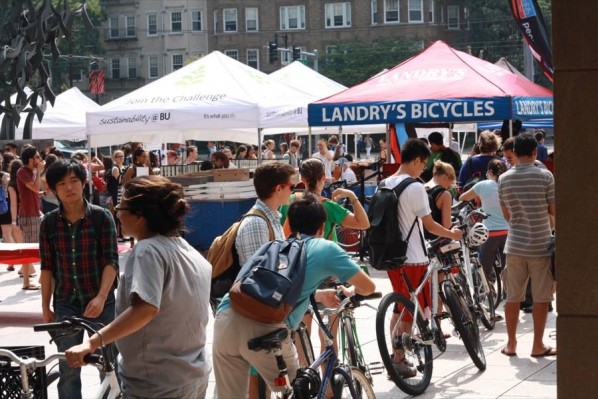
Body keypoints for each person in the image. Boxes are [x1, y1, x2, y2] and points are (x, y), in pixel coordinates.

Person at [213, 194, 376, 398]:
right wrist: (351, 292)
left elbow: (270, 286)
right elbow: (368, 286)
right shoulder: (325, 247)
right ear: (322, 227)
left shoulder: (274, 246)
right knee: (298, 390)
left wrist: (317, 295)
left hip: (227, 317)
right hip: (265, 330)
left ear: (290, 222)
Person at [64, 175, 210, 398]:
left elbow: (146, 308)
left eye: (121, 207)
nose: (117, 213)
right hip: (192, 375)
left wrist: (92, 342)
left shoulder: (148, 250)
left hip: (156, 383)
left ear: (139, 217)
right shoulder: (190, 252)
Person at [39, 159, 119, 399]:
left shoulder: (102, 217)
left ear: (84, 183)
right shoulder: (49, 223)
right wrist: (45, 305)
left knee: (108, 365)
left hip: (100, 302)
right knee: (68, 367)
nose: (69, 188)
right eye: (61, 184)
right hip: (66, 303)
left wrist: (101, 297)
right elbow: (47, 267)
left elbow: (111, 262)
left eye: (74, 181)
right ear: (53, 190)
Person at [385, 139, 463, 377]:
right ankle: (398, 360)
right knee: (408, 310)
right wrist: (452, 234)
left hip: (391, 256)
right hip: (413, 257)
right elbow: (429, 224)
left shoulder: (385, 183)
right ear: (417, 160)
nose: (424, 170)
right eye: (423, 165)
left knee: (399, 308)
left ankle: (395, 353)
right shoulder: (415, 187)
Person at [232, 161, 296, 398]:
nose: (294, 190)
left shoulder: (271, 219)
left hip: (266, 313)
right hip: (255, 316)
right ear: (278, 188)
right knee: (258, 379)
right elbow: (256, 282)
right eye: (292, 185)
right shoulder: (257, 223)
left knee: (272, 381)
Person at [498, 133, 556, 358]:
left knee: (513, 297)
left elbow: (506, 214)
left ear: (513, 152)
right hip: (541, 245)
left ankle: (511, 344)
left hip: (514, 245)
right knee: (541, 297)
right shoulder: (545, 176)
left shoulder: (504, 178)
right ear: (534, 152)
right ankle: (537, 345)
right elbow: (553, 210)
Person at [460, 159, 509, 296]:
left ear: (489, 172)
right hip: (508, 232)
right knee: (508, 267)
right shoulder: (507, 184)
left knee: (484, 266)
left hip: (490, 233)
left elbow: (463, 197)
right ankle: (508, 292)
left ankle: (484, 290)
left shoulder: (483, 184)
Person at [16, 147, 45, 290]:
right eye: (37, 157)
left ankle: (28, 279)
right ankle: (26, 281)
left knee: (34, 247)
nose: (40, 160)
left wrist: (43, 192)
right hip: (29, 215)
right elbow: (33, 188)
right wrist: (39, 171)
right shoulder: (23, 172)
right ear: (30, 159)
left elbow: (34, 192)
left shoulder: (30, 172)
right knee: (30, 248)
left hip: (35, 213)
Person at [423, 161, 456, 240]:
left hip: (420, 239)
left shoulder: (421, 187)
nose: (448, 187)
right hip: (435, 242)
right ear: (447, 177)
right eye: (450, 184)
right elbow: (447, 225)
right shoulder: (445, 194)